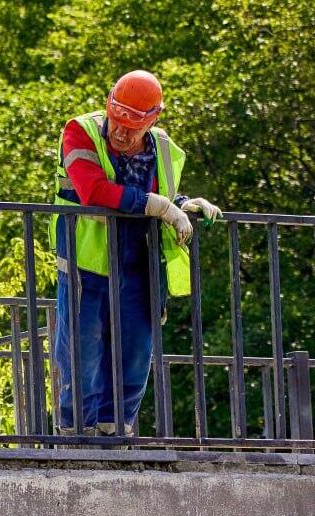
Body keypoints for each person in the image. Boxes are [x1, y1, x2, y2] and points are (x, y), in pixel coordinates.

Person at [52, 69, 221, 437]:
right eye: (116, 121)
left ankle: (116, 436)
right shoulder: (79, 131)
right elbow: (94, 191)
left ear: (152, 120)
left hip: (138, 263)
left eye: (132, 127)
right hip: (87, 261)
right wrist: (159, 206)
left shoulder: (160, 145)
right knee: (81, 355)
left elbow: (157, 193)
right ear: (108, 108)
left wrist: (182, 205)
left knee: (134, 355)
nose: (121, 133)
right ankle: (75, 439)